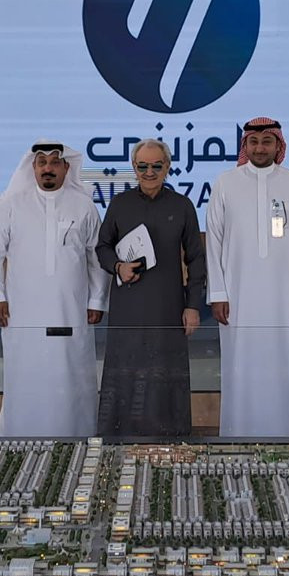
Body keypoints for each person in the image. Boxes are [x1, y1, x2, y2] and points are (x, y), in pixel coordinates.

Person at [0, 141, 108, 436]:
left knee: (71, 372)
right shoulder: (11, 205)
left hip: (70, 310)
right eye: (42, 163)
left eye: (54, 162)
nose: (48, 168)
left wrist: (97, 300)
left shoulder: (84, 206)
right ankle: (20, 439)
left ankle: (76, 438)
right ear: (33, 167)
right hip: (22, 312)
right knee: (26, 375)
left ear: (66, 167)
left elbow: (96, 258)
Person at [206, 117, 289, 437]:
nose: (260, 148)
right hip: (238, 295)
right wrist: (218, 293)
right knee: (242, 365)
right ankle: (240, 435)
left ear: (278, 145)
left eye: (267, 142)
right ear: (245, 145)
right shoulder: (226, 183)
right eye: (254, 142)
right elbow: (214, 242)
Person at [96, 139, 206, 437]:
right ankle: (118, 443)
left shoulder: (182, 206)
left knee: (165, 375)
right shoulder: (120, 204)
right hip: (127, 308)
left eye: (156, 166)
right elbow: (102, 247)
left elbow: (196, 259)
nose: (149, 172)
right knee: (125, 374)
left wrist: (193, 306)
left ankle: (171, 443)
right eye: (142, 166)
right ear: (134, 167)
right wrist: (118, 266)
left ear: (167, 167)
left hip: (168, 307)